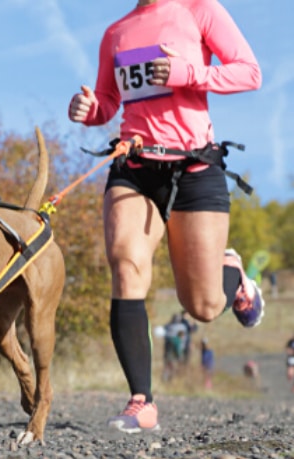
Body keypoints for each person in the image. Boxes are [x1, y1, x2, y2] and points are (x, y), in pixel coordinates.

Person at [67, 0, 263, 433]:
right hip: (134, 167)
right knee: (125, 263)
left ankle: (234, 273)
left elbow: (249, 72)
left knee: (204, 306)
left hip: (192, 168)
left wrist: (189, 73)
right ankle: (142, 402)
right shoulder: (116, 32)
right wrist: (87, 109)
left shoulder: (199, 10)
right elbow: (107, 101)